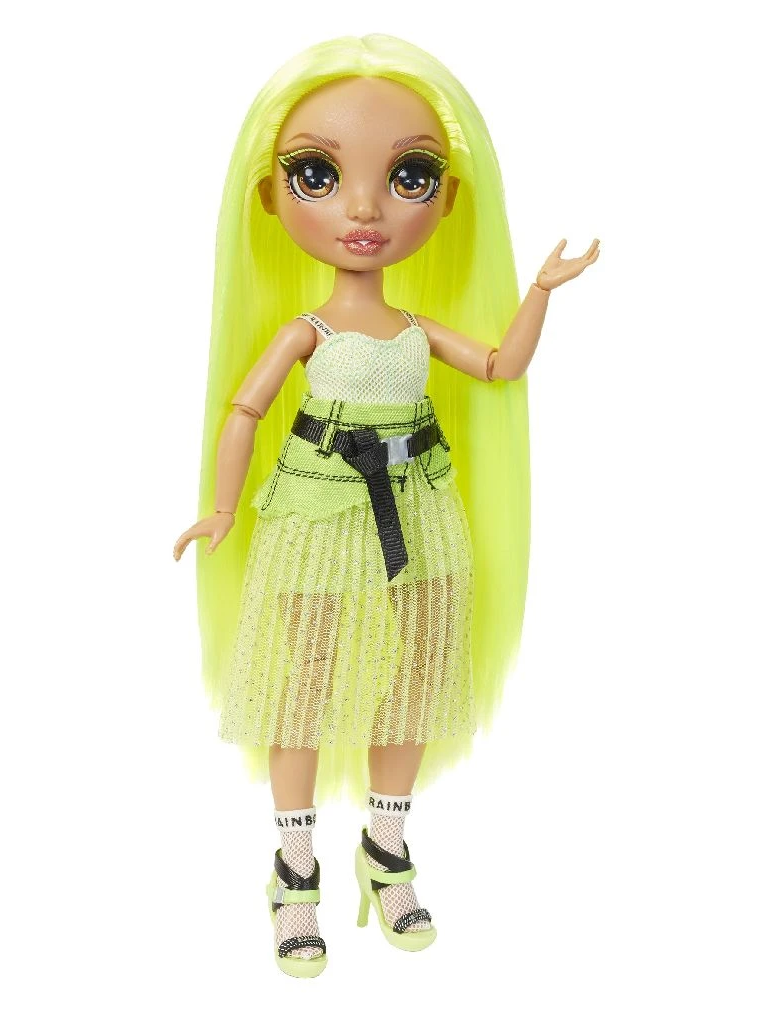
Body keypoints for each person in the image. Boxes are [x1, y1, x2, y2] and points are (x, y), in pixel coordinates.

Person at [173, 33, 599, 977]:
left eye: (409, 177)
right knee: (303, 684)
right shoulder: (306, 330)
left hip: (417, 514)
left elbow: (500, 364)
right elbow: (244, 411)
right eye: (318, 175)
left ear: (447, 199)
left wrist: (539, 290)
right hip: (318, 515)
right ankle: (294, 872)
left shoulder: (415, 328)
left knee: (412, 681)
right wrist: (222, 508)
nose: (363, 209)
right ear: (270, 195)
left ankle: (387, 849)